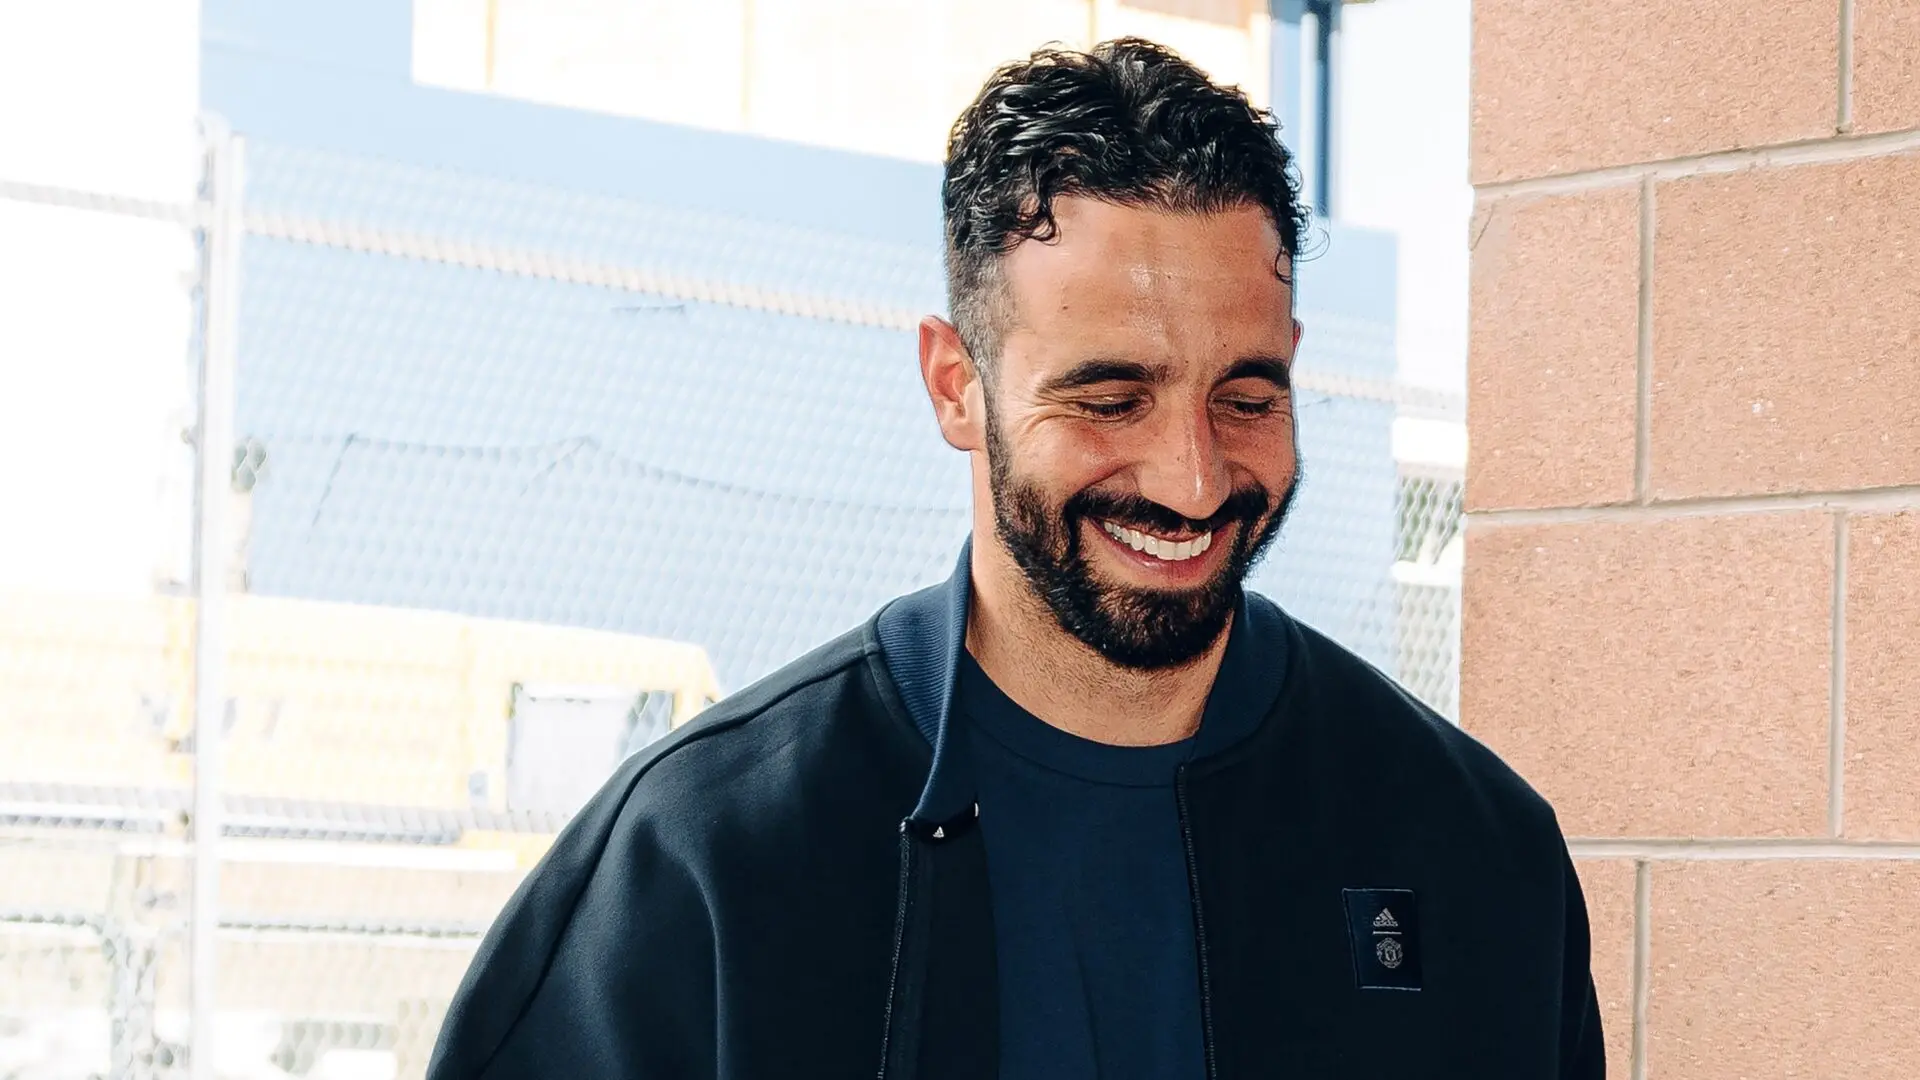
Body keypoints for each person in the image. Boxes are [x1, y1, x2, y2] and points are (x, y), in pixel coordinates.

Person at [427, 38, 1604, 1080]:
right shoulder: (699, 866)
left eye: (1246, 398)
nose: (1192, 480)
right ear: (957, 385)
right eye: (1108, 399)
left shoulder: (1474, 851)